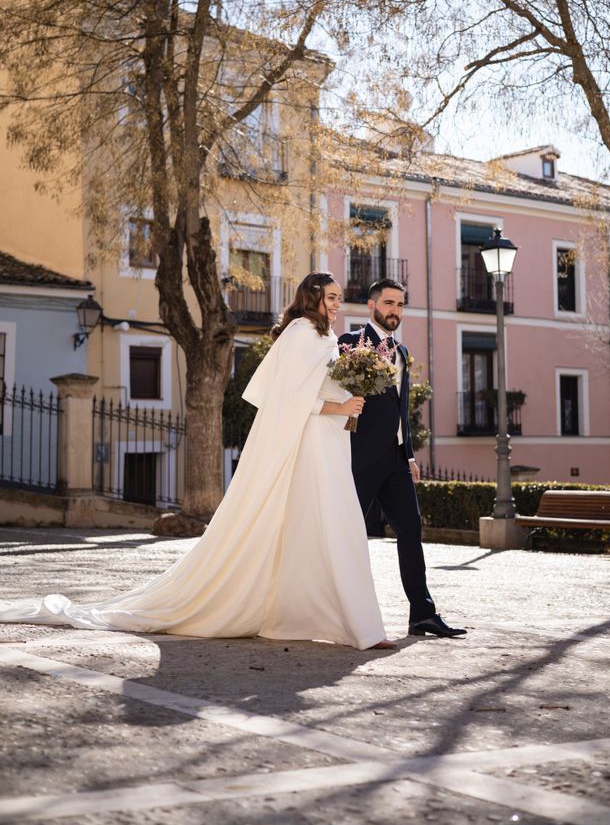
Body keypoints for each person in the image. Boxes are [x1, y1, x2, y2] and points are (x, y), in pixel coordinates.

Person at [0, 273, 394, 651]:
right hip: (309, 443)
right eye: (331, 297)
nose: (338, 303)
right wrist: (338, 405)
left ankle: (324, 619)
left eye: (339, 297)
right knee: (334, 524)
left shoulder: (324, 335)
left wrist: (349, 400)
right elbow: (287, 397)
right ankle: (359, 627)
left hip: (329, 442)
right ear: (312, 298)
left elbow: (317, 386)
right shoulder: (301, 333)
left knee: (329, 527)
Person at [338, 279, 467, 639]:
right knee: (346, 534)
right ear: (371, 305)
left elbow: (401, 409)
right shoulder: (350, 343)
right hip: (359, 456)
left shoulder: (402, 351)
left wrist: (408, 453)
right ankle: (339, 611)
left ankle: (422, 614)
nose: (396, 310)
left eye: (401, 304)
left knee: (411, 529)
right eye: (389, 303)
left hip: (395, 459)